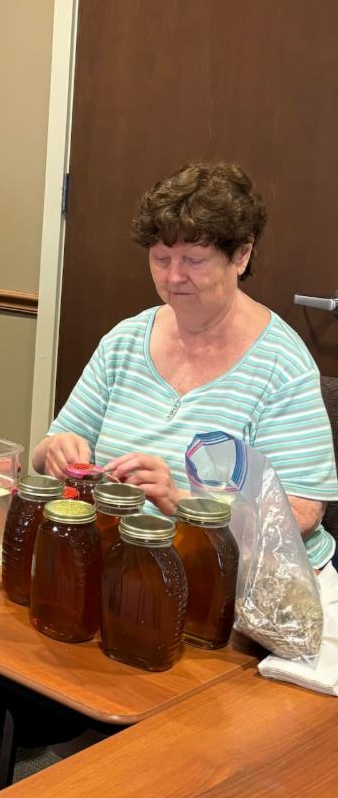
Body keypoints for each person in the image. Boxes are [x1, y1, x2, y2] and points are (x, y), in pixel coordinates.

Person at [34, 161, 338, 570]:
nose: (174, 277)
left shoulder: (281, 364)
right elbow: (46, 450)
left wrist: (180, 502)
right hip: (130, 556)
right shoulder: (126, 341)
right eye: (161, 259)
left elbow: (301, 513)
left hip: (238, 573)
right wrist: (57, 451)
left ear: (242, 254)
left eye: (194, 260)